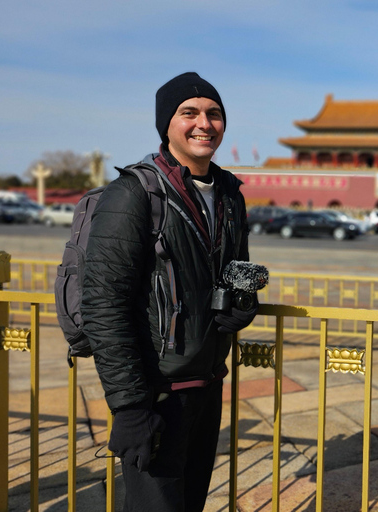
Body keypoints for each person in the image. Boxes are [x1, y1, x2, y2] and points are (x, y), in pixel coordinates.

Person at [81, 72, 257, 511]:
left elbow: (240, 267)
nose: (204, 124)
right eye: (189, 113)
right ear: (167, 125)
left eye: (214, 114)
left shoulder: (230, 193)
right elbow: (104, 303)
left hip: (207, 382)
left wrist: (243, 302)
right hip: (156, 391)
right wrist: (129, 406)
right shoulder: (134, 194)